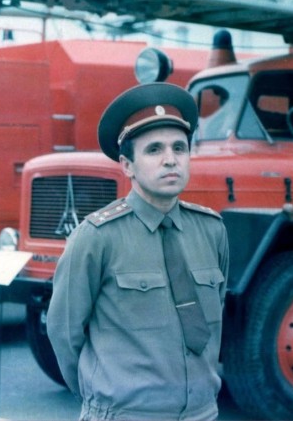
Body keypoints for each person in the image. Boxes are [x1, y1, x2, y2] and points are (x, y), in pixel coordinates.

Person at [47, 82, 230, 421]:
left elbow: (215, 317)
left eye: (179, 148)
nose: (170, 160)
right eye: (154, 150)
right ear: (127, 165)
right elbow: (64, 332)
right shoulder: (97, 237)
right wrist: (100, 397)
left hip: (201, 413)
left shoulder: (211, 230)